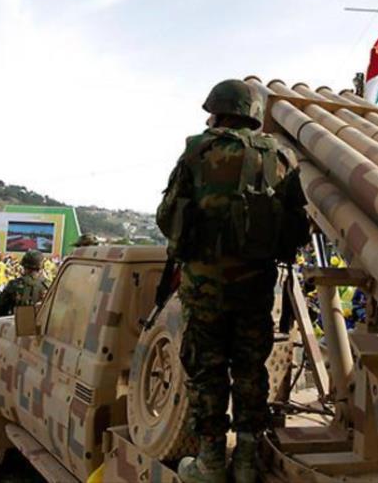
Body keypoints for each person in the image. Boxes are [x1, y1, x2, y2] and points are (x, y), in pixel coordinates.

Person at [157, 79, 308, 483]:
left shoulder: (197, 151)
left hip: (204, 286)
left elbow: (167, 215)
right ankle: (244, 460)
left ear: (218, 111)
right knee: (249, 367)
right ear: (253, 114)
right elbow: (298, 227)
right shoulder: (283, 157)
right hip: (257, 284)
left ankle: (209, 463)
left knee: (206, 368)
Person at [0, 250, 48, 318]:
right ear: (41, 267)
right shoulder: (49, 286)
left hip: (16, 326)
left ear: (24, 266)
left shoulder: (14, 285)